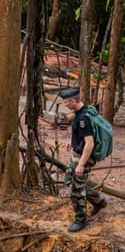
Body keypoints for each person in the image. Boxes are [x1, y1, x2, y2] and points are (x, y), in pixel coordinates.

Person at [60, 87, 108, 232]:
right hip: (77, 153)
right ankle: (99, 201)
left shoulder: (83, 118)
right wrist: (73, 141)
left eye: (67, 102)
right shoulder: (82, 110)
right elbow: (80, 134)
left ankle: (81, 220)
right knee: (70, 180)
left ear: (74, 101)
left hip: (84, 157)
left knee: (76, 188)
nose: (65, 105)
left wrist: (81, 165)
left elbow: (90, 143)